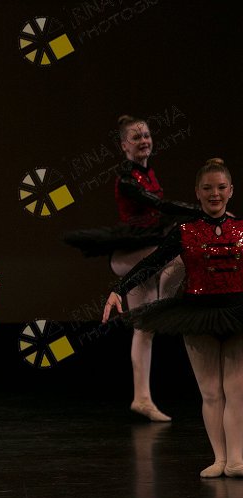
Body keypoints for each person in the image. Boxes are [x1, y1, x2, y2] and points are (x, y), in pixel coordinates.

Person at [103, 158, 243, 478]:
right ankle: (220, 458)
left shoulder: (242, 228)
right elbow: (151, 263)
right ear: (197, 192)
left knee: (236, 391)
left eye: (221, 187)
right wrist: (118, 289)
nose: (215, 194)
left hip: (237, 315)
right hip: (197, 316)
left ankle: (236, 459)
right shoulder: (184, 231)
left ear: (231, 191)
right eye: (207, 188)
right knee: (211, 392)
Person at [66, 115, 201, 422]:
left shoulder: (148, 171)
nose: (144, 141)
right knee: (182, 253)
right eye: (136, 137)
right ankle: (166, 305)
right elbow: (160, 206)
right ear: (123, 146)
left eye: (146, 136)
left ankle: (141, 398)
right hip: (130, 254)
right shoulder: (127, 179)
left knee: (144, 327)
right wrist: (201, 210)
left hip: (146, 250)